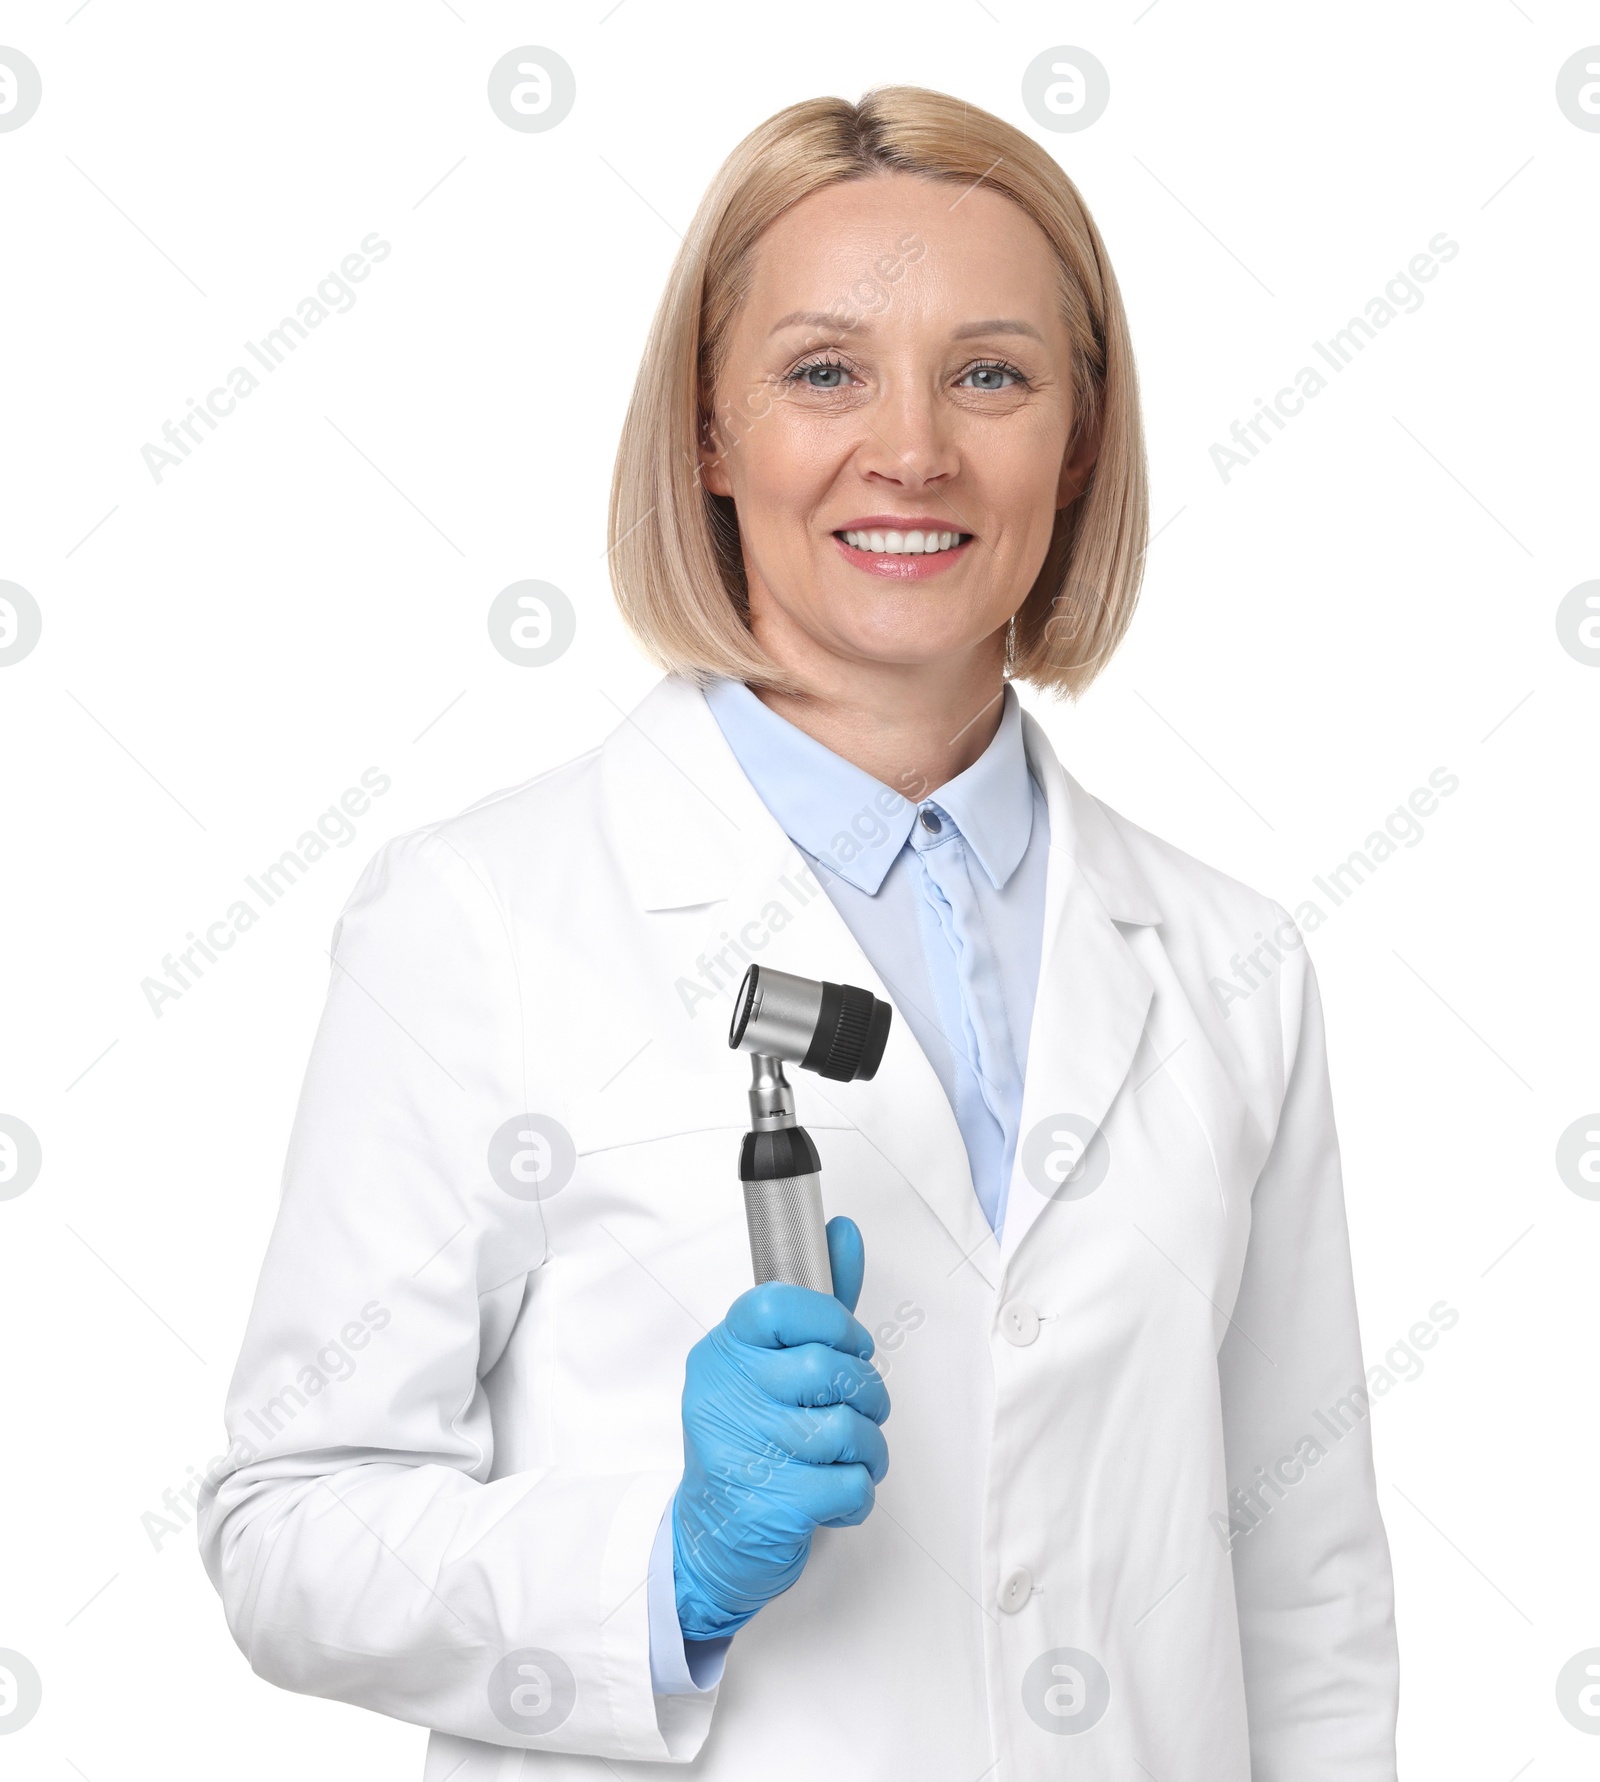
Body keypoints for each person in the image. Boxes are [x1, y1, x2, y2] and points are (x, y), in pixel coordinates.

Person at [198, 86, 1399, 1779]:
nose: (910, 450)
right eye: (825, 370)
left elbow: (1306, 1598)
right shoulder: (480, 917)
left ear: (1079, 433)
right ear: (710, 431)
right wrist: (664, 1563)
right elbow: (285, 1526)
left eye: (991, 372)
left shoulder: (1230, 966)